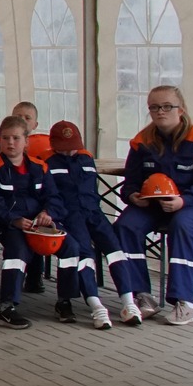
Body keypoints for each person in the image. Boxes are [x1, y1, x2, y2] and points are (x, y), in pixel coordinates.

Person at [115, 85, 193, 326]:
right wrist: (133, 196)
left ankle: (185, 302)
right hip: (152, 206)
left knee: (182, 224)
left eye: (166, 106)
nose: (160, 112)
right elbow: (130, 183)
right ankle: (141, 296)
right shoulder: (141, 142)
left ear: (180, 110)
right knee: (125, 225)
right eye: (154, 107)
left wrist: (183, 201)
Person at [40, 120, 121, 330]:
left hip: (88, 213)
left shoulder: (85, 158)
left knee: (112, 246)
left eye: (73, 147)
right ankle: (68, 301)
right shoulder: (46, 162)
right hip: (62, 217)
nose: (69, 152)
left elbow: (90, 190)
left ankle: (129, 298)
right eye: (64, 148)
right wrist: (51, 213)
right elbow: (50, 194)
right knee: (76, 250)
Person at [0, 116, 47, 329]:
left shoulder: (40, 167)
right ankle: (7, 307)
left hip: (38, 224)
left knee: (71, 246)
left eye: (16, 138)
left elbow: (53, 196)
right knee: (17, 250)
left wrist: (48, 212)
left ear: (26, 141)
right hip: (6, 224)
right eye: (5, 138)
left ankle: (67, 302)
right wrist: (14, 220)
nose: (10, 143)